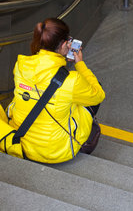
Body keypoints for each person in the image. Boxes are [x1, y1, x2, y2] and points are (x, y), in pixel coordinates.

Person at [6, 18, 105, 164]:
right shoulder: (72, 80)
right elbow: (99, 95)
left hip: (21, 142)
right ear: (65, 44)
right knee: (93, 90)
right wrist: (80, 65)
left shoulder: (20, 66)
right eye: (68, 40)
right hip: (56, 151)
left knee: (62, 97)